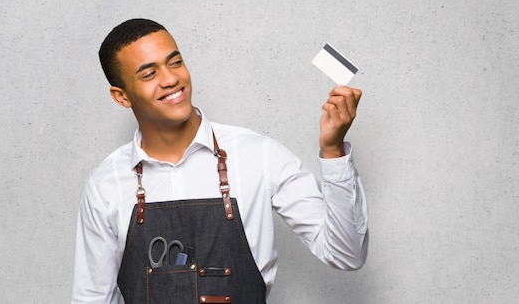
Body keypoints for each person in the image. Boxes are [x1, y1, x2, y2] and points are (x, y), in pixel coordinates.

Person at [71, 18, 368, 303]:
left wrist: (333, 152)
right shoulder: (106, 183)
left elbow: (346, 253)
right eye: (150, 74)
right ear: (122, 96)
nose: (171, 78)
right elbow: (92, 298)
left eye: (175, 62)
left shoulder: (258, 155)